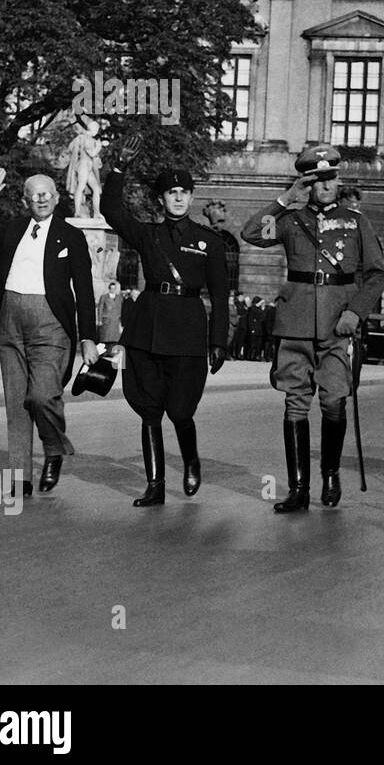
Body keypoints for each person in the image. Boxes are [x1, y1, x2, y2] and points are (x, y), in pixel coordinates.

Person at [241, 143, 384, 512]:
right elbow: (250, 233)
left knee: (334, 399)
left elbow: (376, 275)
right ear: (307, 182)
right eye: (317, 178)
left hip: (339, 323)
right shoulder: (291, 220)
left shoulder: (356, 222)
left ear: (339, 179)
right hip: (296, 323)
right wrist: (284, 199)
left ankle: (332, 473)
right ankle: (299, 489)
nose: (326, 185)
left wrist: (355, 312)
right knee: (295, 402)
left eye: (331, 177)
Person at [101, 136, 228, 507]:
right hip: (147, 327)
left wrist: (218, 341)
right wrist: (119, 169)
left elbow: (219, 296)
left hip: (188, 329)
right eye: (171, 192)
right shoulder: (148, 233)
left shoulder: (209, 242)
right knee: (149, 408)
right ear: (161, 198)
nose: (178, 198)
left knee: (181, 411)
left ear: (191, 197)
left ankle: (190, 459)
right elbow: (111, 210)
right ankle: (155, 485)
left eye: (184, 192)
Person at [0, 168, 99, 495]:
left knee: (41, 395)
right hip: (11, 324)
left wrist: (87, 338)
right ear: (25, 199)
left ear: (56, 198)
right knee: (16, 402)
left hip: (51, 326)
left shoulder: (71, 236)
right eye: (34, 193)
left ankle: (54, 448)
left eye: (47, 193)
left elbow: (84, 291)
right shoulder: (13, 230)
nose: (41, 198)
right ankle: (20, 477)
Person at [97, 280, 123, 346]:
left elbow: (120, 308)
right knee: (105, 337)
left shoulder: (119, 298)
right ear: (109, 289)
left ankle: (112, 351)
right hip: (107, 319)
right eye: (111, 288)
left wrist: (120, 320)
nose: (113, 290)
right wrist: (99, 320)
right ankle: (104, 351)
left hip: (115, 319)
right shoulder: (104, 297)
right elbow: (100, 308)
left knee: (114, 338)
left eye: (114, 288)